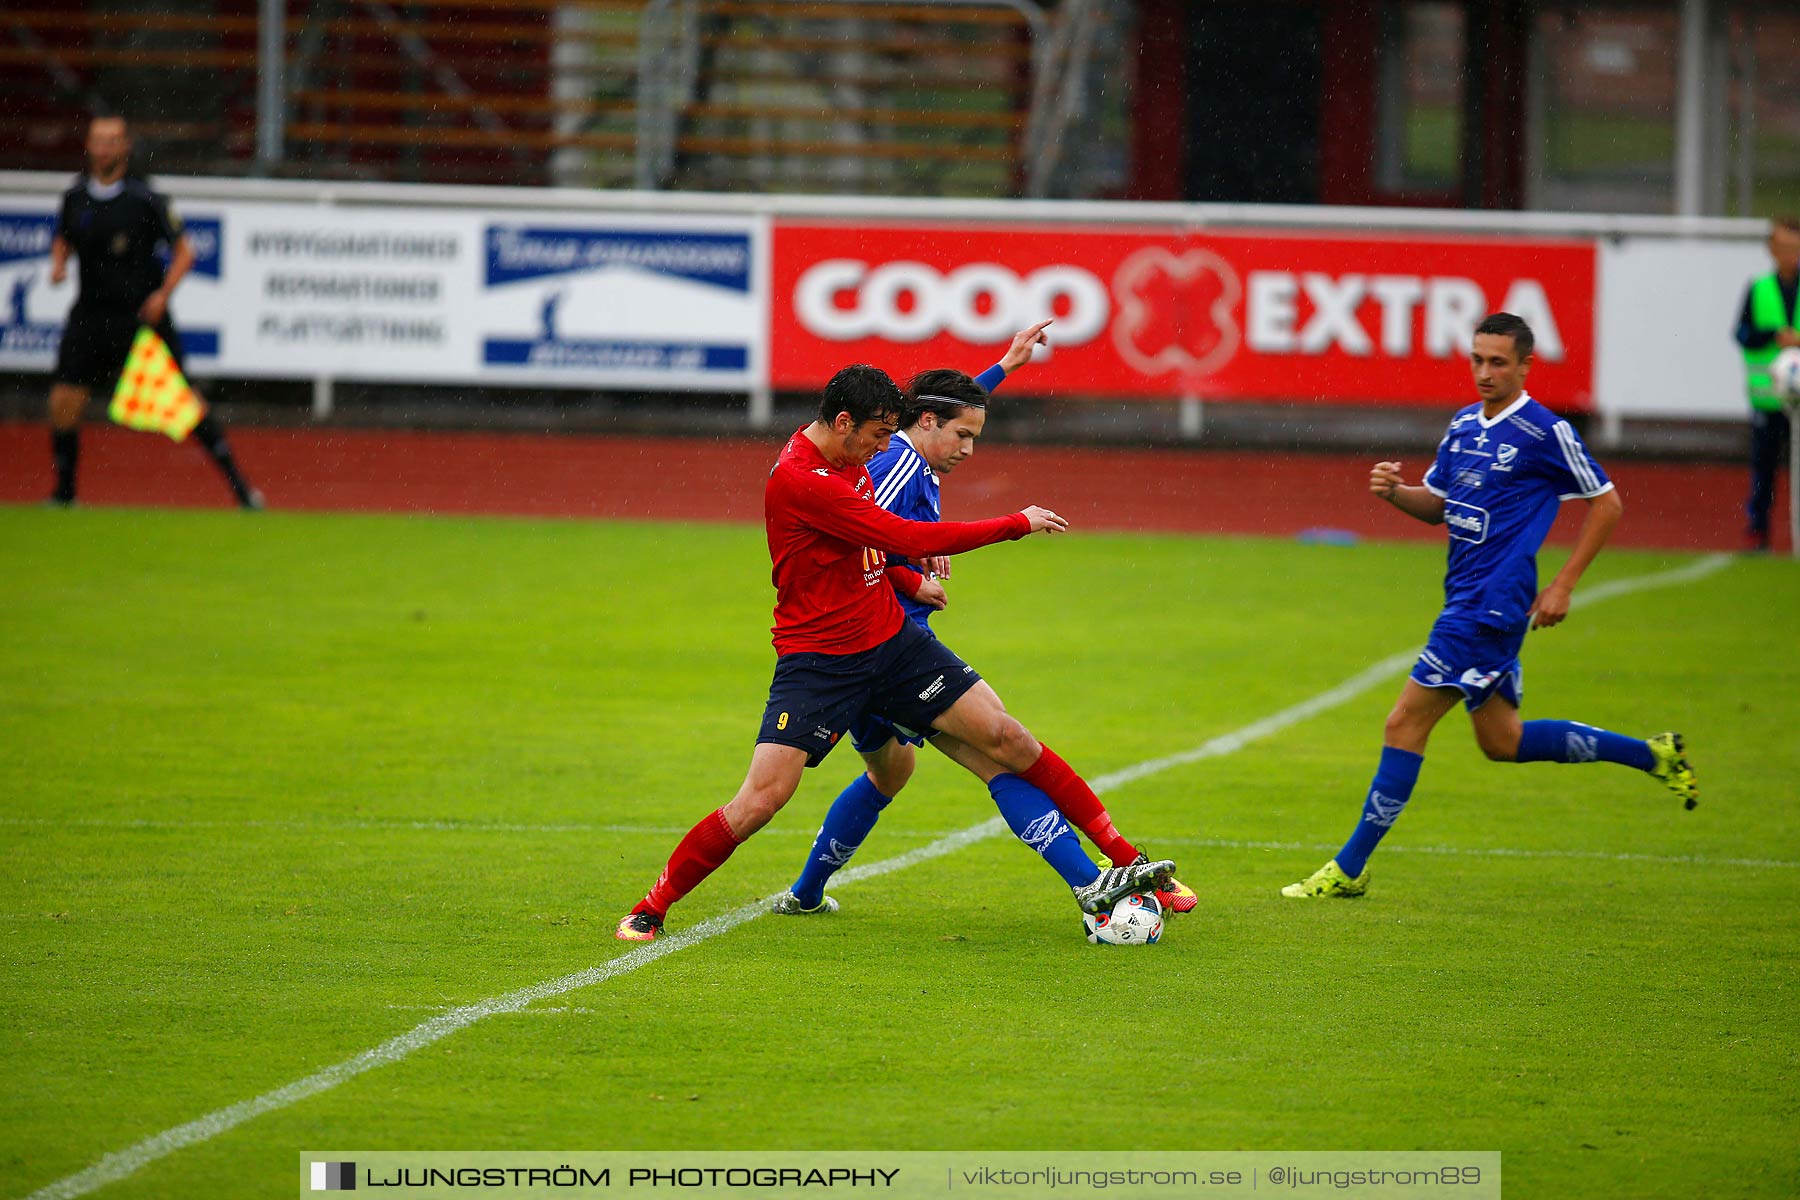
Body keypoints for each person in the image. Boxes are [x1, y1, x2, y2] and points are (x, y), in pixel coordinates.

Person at [616, 363, 1174, 941]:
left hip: (892, 642)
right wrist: (1016, 523)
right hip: (820, 662)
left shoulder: (849, 456)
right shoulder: (804, 481)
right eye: (881, 435)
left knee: (1006, 739)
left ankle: (1119, 862)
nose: (888, 447)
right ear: (842, 422)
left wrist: (1004, 365)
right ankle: (651, 907)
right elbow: (902, 538)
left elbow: (870, 548)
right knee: (762, 799)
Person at [772, 324, 1195, 919]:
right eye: (962, 436)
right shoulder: (893, 466)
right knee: (1002, 744)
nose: (969, 450)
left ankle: (807, 892)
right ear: (922, 423)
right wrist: (910, 575)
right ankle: (1107, 874)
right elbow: (868, 545)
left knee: (897, 771)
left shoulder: (909, 452)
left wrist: (1006, 365)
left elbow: (939, 427)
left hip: (888, 642)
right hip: (879, 647)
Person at [1282, 312, 1697, 900]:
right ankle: (1652, 755)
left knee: (1403, 723)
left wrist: (1562, 584)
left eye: (1498, 361)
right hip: (1468, 601)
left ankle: (1349, 868)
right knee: (1502, 741)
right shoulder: (1462, 428)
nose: (1485, 371)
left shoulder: (1544, 432)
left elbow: (1607, 504)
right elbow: (1440, 507)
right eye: (1478, 359)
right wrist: (1397, 493)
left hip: (1487, 609)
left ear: (1525, 366)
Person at [46, 115, 261, 509]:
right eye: (99, 141)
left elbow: (185, 252)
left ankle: (242, 490)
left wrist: (163, 294)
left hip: (141, 316)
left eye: (113, 141)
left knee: (186, 402)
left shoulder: (145, 198)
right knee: (63, 400)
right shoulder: (75, 197)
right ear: (89, 146)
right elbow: (64, 237)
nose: (105, 148)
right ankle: (64, 494)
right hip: (90, 315)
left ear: (126, 146)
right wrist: (58, 263)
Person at [1734, 214, 1800, 553]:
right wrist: (1774, 336)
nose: (1790, 253)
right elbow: (1741, 333)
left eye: (1794, 245)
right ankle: (1758, 534)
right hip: (1769, 397)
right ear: (1771, 249)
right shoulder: (1759, 288)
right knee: (1765, 470)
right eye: (1783, 246)